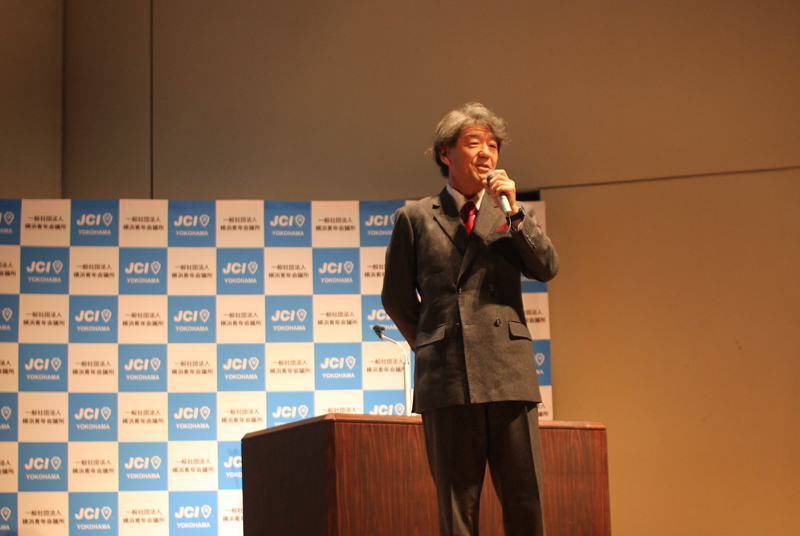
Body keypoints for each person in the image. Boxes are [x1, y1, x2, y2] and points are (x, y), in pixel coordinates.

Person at [381, 102, 559, 536]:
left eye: (493, 146)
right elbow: (397, 298)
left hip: (509, 372)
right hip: (447, 378)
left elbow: (546, 268)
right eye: (474, 143)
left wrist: (514, 213)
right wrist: (435, 341)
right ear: (446, 153)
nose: (486, 153)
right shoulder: (415, 218)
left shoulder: (511, 214)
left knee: (525, 500)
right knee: (457, 509)